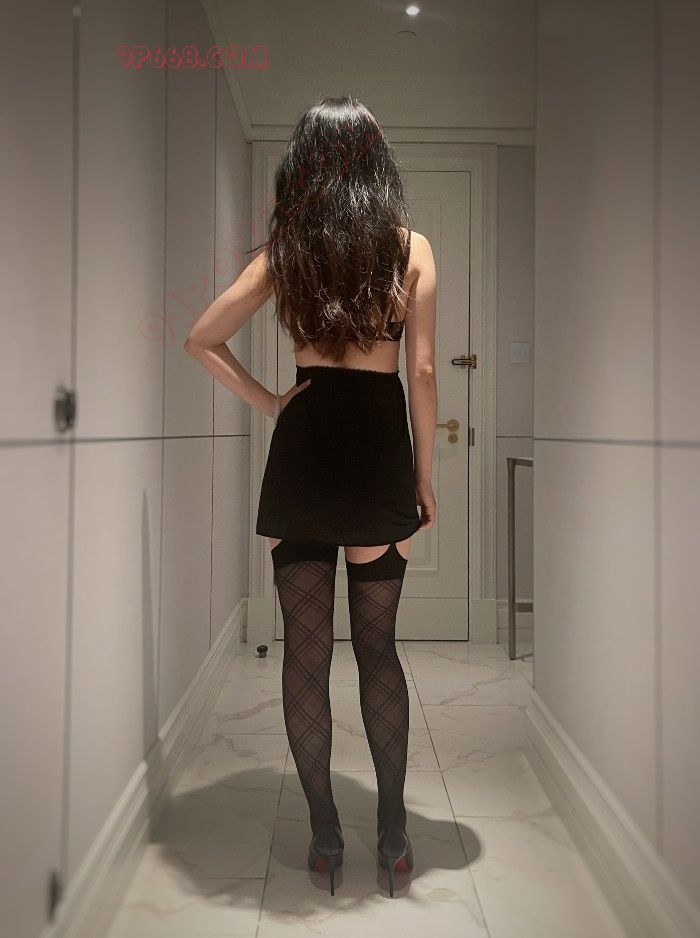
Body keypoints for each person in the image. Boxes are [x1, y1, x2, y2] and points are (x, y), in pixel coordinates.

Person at [184, 94, 437, 898]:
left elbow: (200, 338)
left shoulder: (288, 252)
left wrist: (270, 403)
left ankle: (325, 838)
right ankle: (393, 836)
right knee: (379, 649)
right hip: (378, 452)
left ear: (307, 162)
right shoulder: (410, 248)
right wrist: (424, 479)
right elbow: (422, 372)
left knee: (304, 653)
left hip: (303, 452)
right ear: (372, 158)